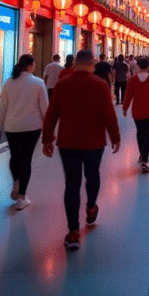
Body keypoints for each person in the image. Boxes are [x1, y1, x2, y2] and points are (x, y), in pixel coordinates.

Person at [42, 50, 120, 250]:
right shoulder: (101, 85)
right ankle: (91, 207)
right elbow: (108, 114)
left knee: (72, 184)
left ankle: (73, 231)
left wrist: (47, 139)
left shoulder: (62, 84)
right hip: (94, 142)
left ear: (75, 63)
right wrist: (115, 137)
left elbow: (52, 113)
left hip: (68, 142)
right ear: (93, 64)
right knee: (93, 175)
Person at [0, 54, 48, 210]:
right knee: (26, 160)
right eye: (34, 64)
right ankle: (22, 197)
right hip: (32, 127)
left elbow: (2, 107)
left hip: (12, 127)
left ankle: (16, 181)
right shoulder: (38, 83)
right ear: (30, 65)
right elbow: (45, 108)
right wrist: (49, 130)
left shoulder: (9, 83)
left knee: (15, 156)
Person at [123, 57, 149, 173]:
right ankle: (145, 159)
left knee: (140, 133)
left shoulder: (133, 80)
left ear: (138, 66)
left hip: (137, 111)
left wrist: (125, 108)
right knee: (147, 134)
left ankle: (141, 154)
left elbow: (128, 95)